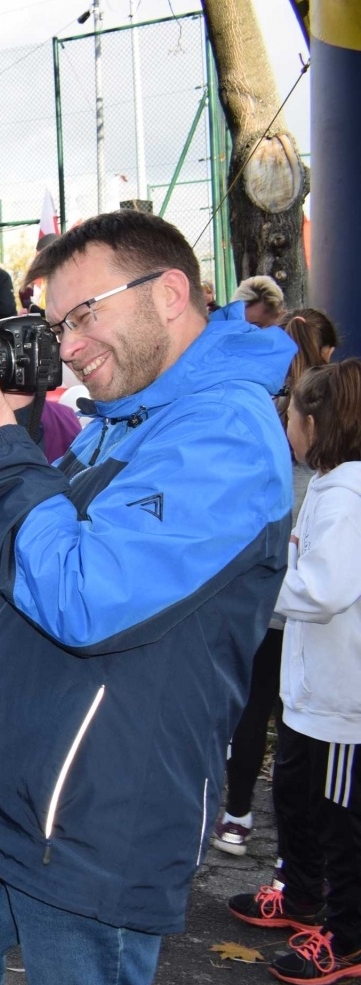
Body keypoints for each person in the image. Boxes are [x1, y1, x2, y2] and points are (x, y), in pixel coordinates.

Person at [0, 209, 295, 985]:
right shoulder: (124, 414)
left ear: (171, 293)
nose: (69, 345)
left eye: (85, 315)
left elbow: (87, 593)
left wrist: (5, 444)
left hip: (94, 813)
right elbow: (22, 550)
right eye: (57, 322)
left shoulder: (225, 434)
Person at [225, 358, 361, 985]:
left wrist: (256, 578)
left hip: (343, 699)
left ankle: (348, 933)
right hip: (311, 690)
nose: (286, 428)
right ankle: (301, 895)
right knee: (296, 798)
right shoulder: (332, 487)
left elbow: (323, 590)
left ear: (315, 422)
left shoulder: (349, 496)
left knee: (340, 818)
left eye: (291, 418)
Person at [212, 309, 337, 856]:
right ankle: (297, 847)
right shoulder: (330, 444)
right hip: (297, 608)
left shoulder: (263, 413)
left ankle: (237, 816)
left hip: (275, 599)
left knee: (253, 705)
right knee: (296, 728)